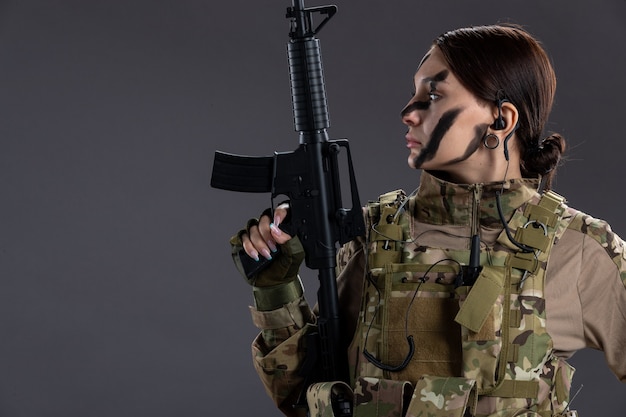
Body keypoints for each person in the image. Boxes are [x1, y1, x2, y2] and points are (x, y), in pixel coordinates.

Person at [229, 24, 626, 417]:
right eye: (414, 92)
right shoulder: (372, 237)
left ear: (501, 121)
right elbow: (305, 396)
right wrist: (276, 288)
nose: (408, 113)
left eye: (433, 94)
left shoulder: (578, 249)